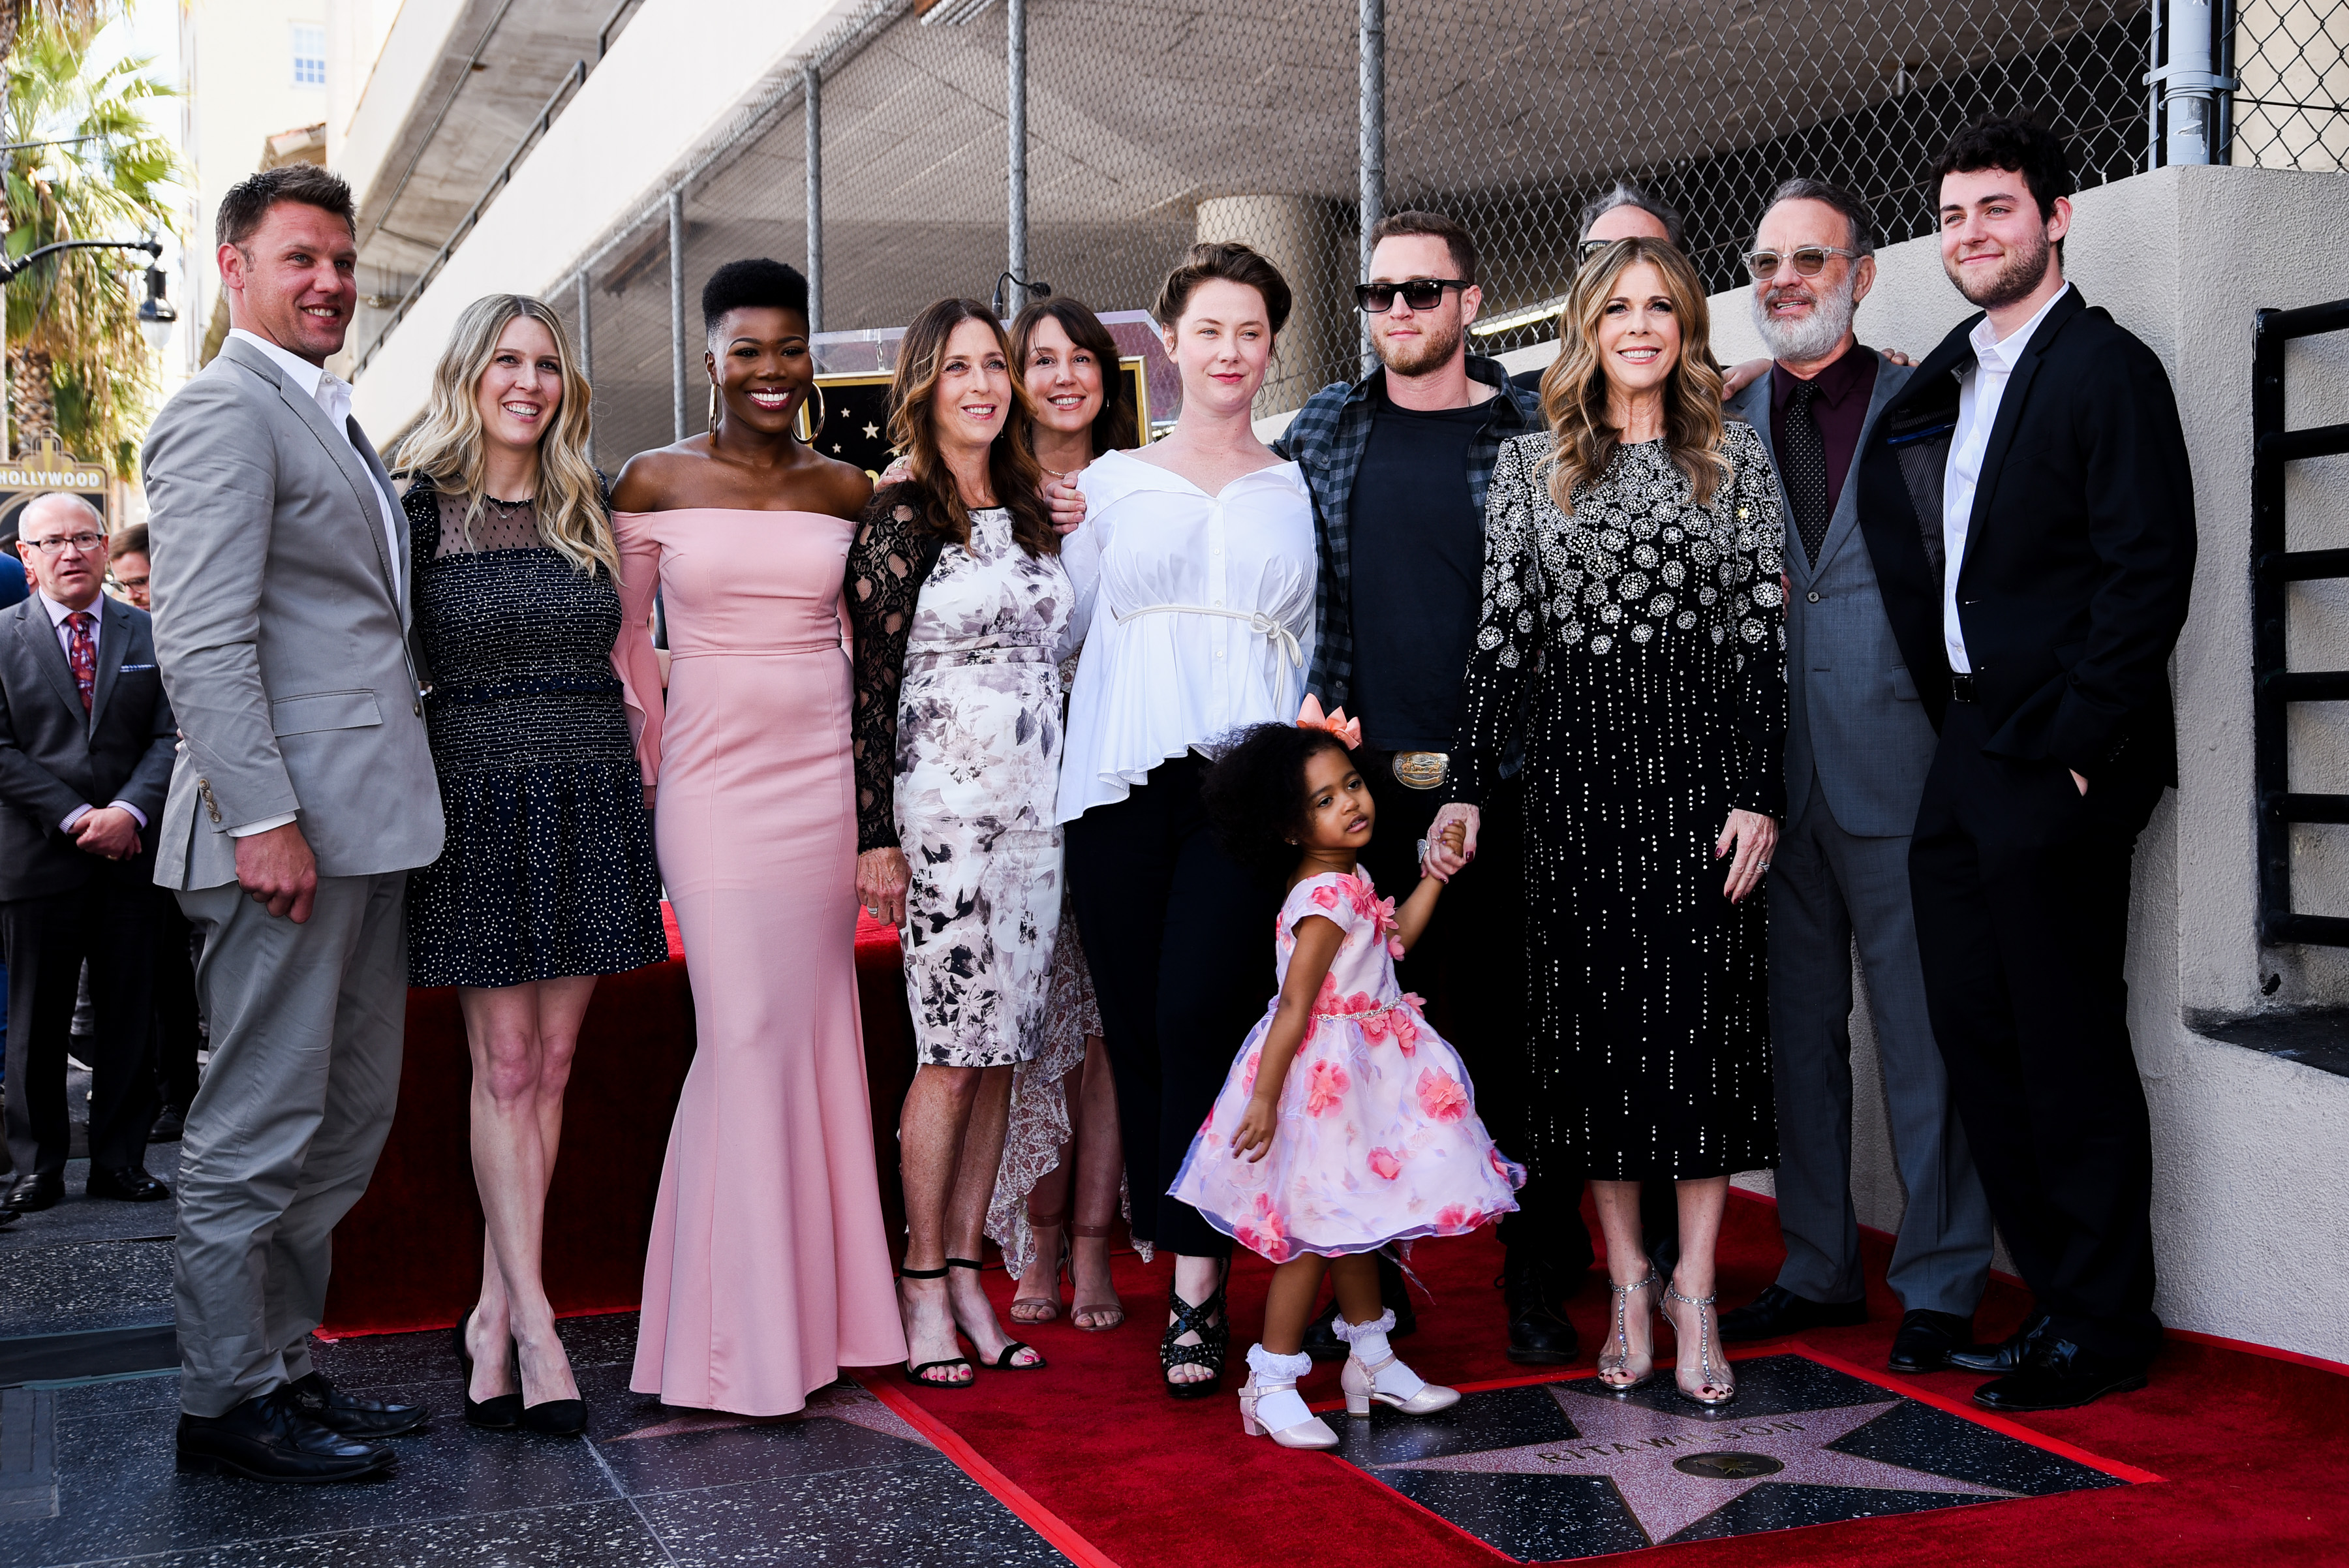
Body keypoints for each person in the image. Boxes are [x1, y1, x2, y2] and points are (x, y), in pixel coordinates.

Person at [1853, 118, 2195, 1413]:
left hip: (2055, 754)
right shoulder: (1951, 375)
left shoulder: (2107, 369)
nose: (1972, 234)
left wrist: (2076, 754)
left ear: (2059, 218)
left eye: (1996, 209)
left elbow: (2147, 570)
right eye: (1951, 216)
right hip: (1968, 743)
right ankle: (2057, 1298)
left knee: (2063, 1041)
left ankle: (2105, 1324)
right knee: (1976, 1035)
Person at [1440, 236, 1787, 1407]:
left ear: (1686, 326)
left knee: (1698, 1043)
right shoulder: (1529, 468)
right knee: (1594, 1055)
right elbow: (1500, 644)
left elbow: (1758, 643)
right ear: (1585, 328)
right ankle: (1628, 1284)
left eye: (1661, 307)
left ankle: (1694, 1289)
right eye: (1618, 307)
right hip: (1577, 798)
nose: (1640, 325)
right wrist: (1466, 789)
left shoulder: (1732, 461)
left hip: (1699, 799)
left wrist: (1757, 793)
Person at [146, 163, 442, 1481]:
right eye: (299, 259)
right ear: (233, 268)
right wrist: (262, 815)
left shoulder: (329, 414)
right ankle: (222, 1399)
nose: (329, 280)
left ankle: (280, 1371)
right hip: (282, 841)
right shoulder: (222, 410)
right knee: (257, 1126)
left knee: (343, 1118)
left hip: (365, 831)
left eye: (341, 258)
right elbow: (200, 638)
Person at [1272, 209, 1574, 1364]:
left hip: (1504, 779)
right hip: (1364, 802)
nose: (1399, 310)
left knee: (1516, 1042)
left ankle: (1536, 1273)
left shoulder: (1531, 424)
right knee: (1360, 1046)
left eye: (1422, 291)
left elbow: (1658, 417)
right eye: (1380, 293)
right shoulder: (1327, 427)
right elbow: (1217, 488)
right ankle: (1373, 1297)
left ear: (1469, 301)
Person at [613, 257, 906, 1416]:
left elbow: (876, 654)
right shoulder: (651, 477)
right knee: (739, 1033)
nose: (772, 370)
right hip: (714, 787)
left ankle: (819, 1322)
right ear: (710, 358)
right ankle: (728, 1343)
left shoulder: (849, 488)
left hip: (822, 783)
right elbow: (627, 647)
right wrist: (650, 767)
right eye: (748, 349)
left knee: (814, 1030)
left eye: (791, 348)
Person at [1715, 179, 1996, 1372]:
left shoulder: (1928, 397)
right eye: (1768, 261)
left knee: (1926, 1033)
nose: (1785, 279)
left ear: (1862, 274)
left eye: (1809, 260)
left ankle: (1937, 1279)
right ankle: (1819, 1264)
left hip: (1900, 763)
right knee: (1795, 1035)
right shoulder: (1719, 419)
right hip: (1765, 785)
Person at [395, 294, 669, 1435]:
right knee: (502, 1066)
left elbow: (640, 653)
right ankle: (542, 1325)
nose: (527, 380)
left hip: (591, 788)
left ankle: (494, 1310)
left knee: (552, 1067)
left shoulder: (590, 503)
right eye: (506, 359)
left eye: (546, 362)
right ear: (467, 373)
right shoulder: (416, 509)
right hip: (475, 795)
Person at [1058, 241, 1316, 1398]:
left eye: (1251, 332)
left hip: (1244, 790)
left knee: (1203, 1012)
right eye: (1210, 329)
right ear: (1169, 341)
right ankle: (1184, 1245)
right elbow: (1057, 626)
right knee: (1143, 1030)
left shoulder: (1302, 480)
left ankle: (1198, 1295)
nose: (1230, 351)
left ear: (1271, 347)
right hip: (1119, 782)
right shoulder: (1109, 483)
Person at [1173, 711, 1520, 1449]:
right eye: (1325, 800)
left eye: (1353, 785)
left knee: (1358, 1222)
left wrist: (1432, 877)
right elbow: (1297, 1002)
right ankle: (1269, 1383)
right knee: (1311, 1231)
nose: (1352, 803)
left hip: (1368, 1067)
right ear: (1292, 829)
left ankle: (1372, 1360)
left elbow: (1393, 943)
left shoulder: (1350, 878)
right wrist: (1266, 1098)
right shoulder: (1322, 901)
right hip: (1323, 1079)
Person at [847, 298, 1075, 1387]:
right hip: (946, 825)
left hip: (1039, 822)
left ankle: (972, 1269)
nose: (983, 385)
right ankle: (921, 1278)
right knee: (948, 1055)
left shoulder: (1033, 508)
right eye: (959, 369)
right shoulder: (899, 517)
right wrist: (873, 837)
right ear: (923, 386)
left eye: (996, 366)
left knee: (1003, 1056)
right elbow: (869, 687)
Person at [995, 296, 1137, 1333]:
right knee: (1037, 1015)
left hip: (1115, 767)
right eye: (1040, 358)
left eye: (1082, 357)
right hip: (1013, 781)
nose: (1063, 374)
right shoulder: (981, 487)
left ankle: (1092, 1243)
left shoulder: (1140, 485)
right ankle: (1034, 1233)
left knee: (1108, 1025)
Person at [0, 493, 174, 1214]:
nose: (70, 552)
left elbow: (171, 737)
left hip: (132, 854)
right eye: (52, 542)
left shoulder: (152, 634)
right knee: (36, 1022)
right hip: (38, 857)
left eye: (83, 538)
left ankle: (120, 1160)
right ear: (26, 558)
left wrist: (129, 811)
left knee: (131, 1014)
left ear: (105, 549)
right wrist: (78, 817)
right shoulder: (1, 637)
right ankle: (36, 1168)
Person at [107, 523, 202, 1143]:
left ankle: (183, 1094)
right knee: (153, 968)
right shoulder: (125, 633)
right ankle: (166, 1095)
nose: (139, 593)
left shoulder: (197, 619)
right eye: (129, 584)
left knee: (179, 973)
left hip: (196, 818)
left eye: (146, 580)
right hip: (135, 825)